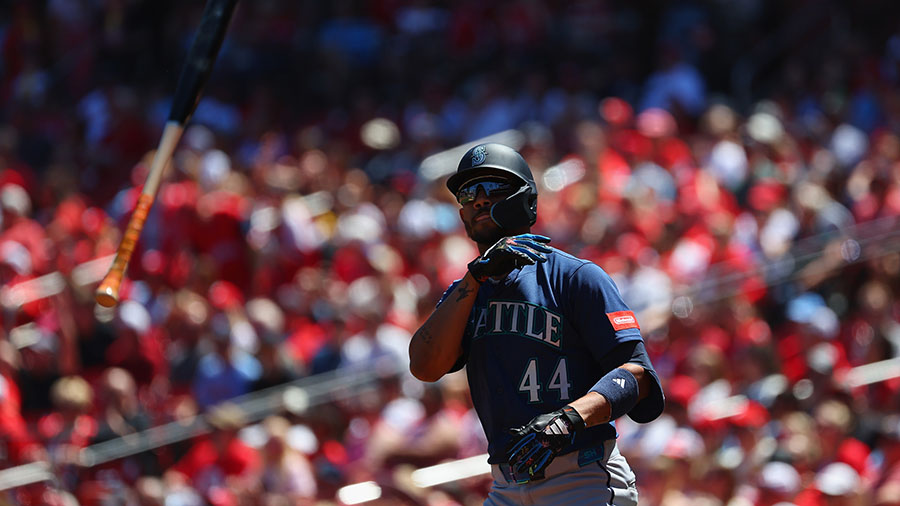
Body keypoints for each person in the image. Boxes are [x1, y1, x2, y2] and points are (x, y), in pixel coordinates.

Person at [409, 143, 665, 505]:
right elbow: (423, 366)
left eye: (493, 188)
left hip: (581, 476)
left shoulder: (576, 277)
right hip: (506, 486)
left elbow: (637, 375)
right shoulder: (465, 293)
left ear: (526, 199)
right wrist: (472, 279)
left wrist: (568, 420)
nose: (480, 200)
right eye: (469, 192)